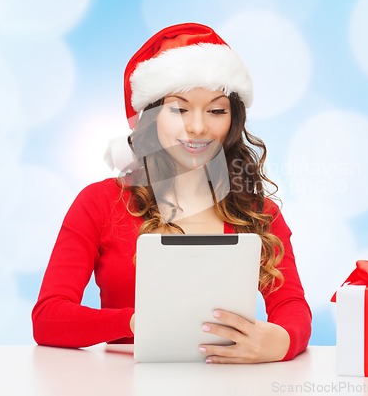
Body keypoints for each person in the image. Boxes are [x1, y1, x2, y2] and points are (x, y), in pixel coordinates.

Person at [32, 23, 312, 363]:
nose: (197, 126)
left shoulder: (258, 211)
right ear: (151, 116)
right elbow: (48, 318)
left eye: (216, 110)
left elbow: (291, 306)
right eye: (179, 108)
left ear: (233, 119)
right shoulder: (100, 203)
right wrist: (137, 323)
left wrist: (282, 340)